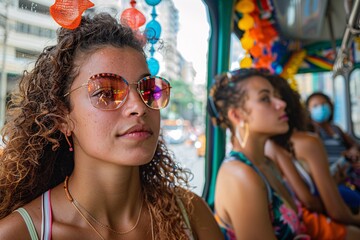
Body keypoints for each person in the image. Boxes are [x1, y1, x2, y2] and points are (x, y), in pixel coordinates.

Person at [0, 13, 223, 240]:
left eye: (148, 90)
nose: (139, 106)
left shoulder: (191, 215)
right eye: (106, 92)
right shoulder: (19, 233)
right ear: (61, 117)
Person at [208, 68, 309, 239]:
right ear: (237, 115)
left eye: (275, 96)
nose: (281, 103)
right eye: (265, 98)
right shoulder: (240, 176)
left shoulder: (267, 163)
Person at [266, 75, 360, 239]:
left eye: (323, 104)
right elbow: (328, 208)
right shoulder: (308, 142)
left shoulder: (271, 146)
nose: (278, 105)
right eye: (264, 99)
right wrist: (354, 219)